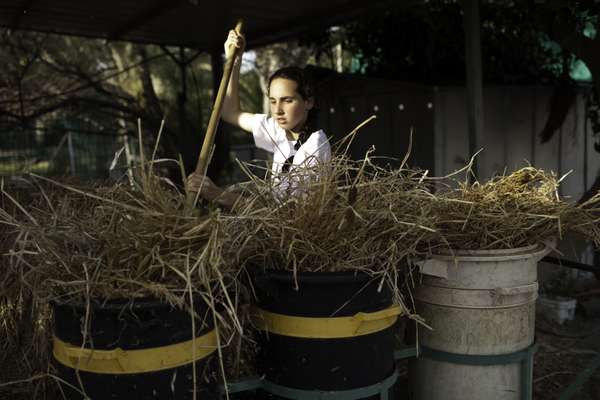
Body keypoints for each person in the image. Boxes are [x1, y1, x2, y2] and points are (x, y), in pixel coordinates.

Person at [187, 30, 331, 209]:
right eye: (273, 101)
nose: (278, 110)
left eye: (287, 100)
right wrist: (235, 60)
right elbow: (230, 113)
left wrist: (217, 194)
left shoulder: (315, 146)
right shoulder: (279, 130)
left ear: (308, 102)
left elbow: (285, 215)